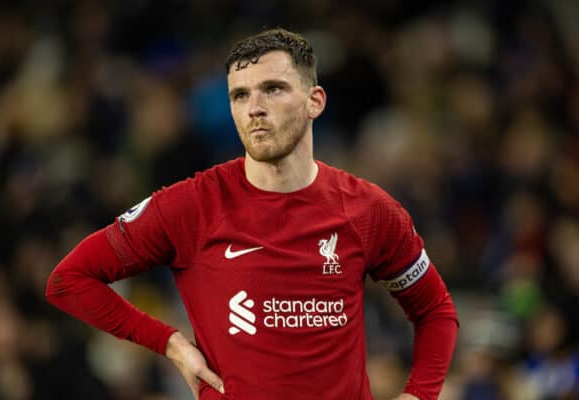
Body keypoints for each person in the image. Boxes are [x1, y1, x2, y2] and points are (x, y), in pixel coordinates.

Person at [46, 28, 458, 400]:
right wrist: (171, 344)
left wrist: (418, 396)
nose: (254, 108)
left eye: (273, 89)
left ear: (315, 101)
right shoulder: (192, 205)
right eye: (240, 95)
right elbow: (69, 280)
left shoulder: (368, 210)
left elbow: (435, 310)